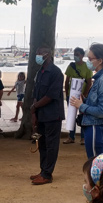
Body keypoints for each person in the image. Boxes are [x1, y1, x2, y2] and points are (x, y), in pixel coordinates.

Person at [70, 43, 103, 159]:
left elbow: (102, 111)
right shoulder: (102, 78)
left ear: (100, 60)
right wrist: (84, 100)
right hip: (96, 127)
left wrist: (81, 106)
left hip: (96, 127)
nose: (88, 61)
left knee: (95, 162)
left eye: (90, 59)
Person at [30, 47, 65, 185]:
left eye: (40, 54)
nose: (38, 56)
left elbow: (51, 95)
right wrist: (34, 111)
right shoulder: (40, 72)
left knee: (51, 145)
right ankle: (43, 170)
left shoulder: (56, 72)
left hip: (52, 115)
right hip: (41, 114)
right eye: (36, 53)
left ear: (48, 55)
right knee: (42, 143)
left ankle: (47, 174)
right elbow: (36, 93)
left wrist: (35, 106)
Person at [64, 48, 93, 144]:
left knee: (83, 115)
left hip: (82, 95)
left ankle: (83, 137)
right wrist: (67, 93)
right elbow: (67, 80)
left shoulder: (87, 67)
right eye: (74, 54)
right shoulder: (71, 66)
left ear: (82, 55)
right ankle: (71, 136)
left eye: (77, 54)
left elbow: (89, 82)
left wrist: (84, 94)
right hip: (71, 95)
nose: (75, 56)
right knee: (71, 115)